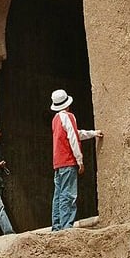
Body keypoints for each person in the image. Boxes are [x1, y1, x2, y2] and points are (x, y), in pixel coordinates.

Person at [49, 89, 101, 231]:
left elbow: (74, 134)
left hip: (58, 163)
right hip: (68, 161)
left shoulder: (56, 119)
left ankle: (57, 227)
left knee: (59, 195)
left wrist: (92, 133)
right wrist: (80, 161)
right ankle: (67, 227)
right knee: (69, 195)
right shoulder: (69, 116)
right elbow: (73, 138)